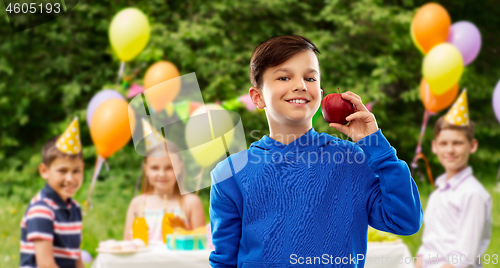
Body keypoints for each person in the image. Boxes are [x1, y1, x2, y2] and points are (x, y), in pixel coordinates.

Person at [209, 35, 423, 267]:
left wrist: (376, 145)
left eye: (310, 78)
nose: (300, 85)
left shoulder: (353, 160)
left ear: (320, 95)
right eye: (283, 77)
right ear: (257, 97)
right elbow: (224, 260)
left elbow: (405, 221)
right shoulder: (229, 173)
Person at [416, 90, 492, 268]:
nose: (449, 150)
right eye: (443, 143)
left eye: (457, 143)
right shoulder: (439, 192)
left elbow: (462, 258)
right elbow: (428, 245)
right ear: (434, 147)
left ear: (472, 146)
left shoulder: (473, 194)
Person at [20, 118, 85, 268]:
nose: (70, 178)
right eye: (62, 171)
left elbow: (76, 259)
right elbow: (45, 264)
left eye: (76, 171)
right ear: (44, 171)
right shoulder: (41, 210)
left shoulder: (74, 208)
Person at [124, 141, 206, 242]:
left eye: (169, 167)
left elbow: (201, 245)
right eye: (155, 168)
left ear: (179, 168)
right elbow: (127, 245)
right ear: (146, 170)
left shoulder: (191, 203)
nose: (162, 174)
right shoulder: (137, 204)